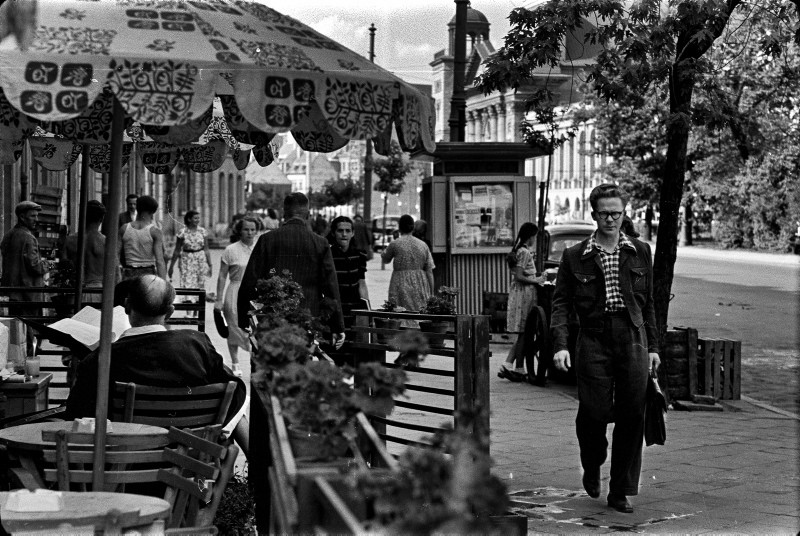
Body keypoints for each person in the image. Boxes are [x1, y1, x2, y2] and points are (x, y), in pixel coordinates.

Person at [551, 183, 660, 514]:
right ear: (593, 213)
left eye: (616, 212)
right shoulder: (575, 256)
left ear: (624, 212)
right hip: (594, 338)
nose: (610, 219)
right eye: (603, 213)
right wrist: (560, 345)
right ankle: (592, 461)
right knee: (593, 411)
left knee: (632, 415)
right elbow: (561, 304)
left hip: (633, 338)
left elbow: (649, 302)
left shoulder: (640, 251)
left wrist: (653, 346)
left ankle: (620, 490)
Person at [64, 275, 249, 455]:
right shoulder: (196, 345)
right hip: (188, 462)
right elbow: (234, 391)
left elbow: (75, 415)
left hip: (123, 464)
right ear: (170, 312)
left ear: (127, 306)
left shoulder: (102, 358)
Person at [238, 192, 345, 350]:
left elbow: (249, 282)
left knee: (269, 364)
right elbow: (331, 287)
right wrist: (337, 327)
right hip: (308, 318)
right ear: (308, 214)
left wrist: (244, 319)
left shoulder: (267, 240)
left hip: (271, 319)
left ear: (284, 214)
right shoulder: (320, 243)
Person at [498, 222, 545, 382]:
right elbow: (519, 276)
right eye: (535, 236)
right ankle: (517, 366)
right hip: (524, 294)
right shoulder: (524, 252)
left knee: (523, 333)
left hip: (520, 293)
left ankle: (512, 364)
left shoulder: (519, 250)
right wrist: (537, 280)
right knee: (525, 331)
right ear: (531, 236)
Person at [214, 216, 259, 377]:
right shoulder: (230, 250)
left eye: (253, 229)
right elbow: (221, 276)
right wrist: (218, 299)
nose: (249, 232)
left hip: (254, 293)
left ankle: (254, 362)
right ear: (239, 230)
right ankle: (235, 362)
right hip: (235, 290)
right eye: (246, 229)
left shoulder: (259, 248)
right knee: (233, 328)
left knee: (254, 329)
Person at [1, 201, 53, 317]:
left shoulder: (9, 235)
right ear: (22, 217)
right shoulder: (28, 238)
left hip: (12, 293)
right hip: (28, 294)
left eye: (37, 216)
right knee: (29, 327)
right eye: (33, 216)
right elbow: (35, 266)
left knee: (17, 327)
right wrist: (49, 265)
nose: (36, 219)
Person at [381, 214, 434, 315]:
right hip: (419, 281)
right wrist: (431, 292)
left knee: (400, 313)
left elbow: (385, 259)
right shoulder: (423, 245)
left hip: (399, 282)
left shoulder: (395, 243)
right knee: (418, 312)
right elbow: (429, 271)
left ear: (399, 228)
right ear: (412, 228)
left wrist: (394, 239)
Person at [327, 216, 370, 328]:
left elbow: (362, 283)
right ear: (333, 233)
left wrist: (368, 311)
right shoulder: (327, 256)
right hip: (335, 309)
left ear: (353, 233)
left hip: (355, 307)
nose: (344, 234)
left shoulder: (360, 255)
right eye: (340, 230)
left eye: (348, 231)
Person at [62, 200, 106, 302]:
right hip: (98, 291)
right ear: (102, 218)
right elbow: (116, 273)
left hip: (76, 292)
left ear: (82, 216)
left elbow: (63, 268)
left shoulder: (69, 240)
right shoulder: (105, 242)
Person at [118, 195, 166, 280]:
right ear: (153, 212)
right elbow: (160, 261)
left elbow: (116, 254)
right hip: (148, 275)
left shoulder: (124, 228)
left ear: (137, 208)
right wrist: (164, 285)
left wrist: (118, 275)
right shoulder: (155, 231)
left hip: (128, 273)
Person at [168, 210, 212, 290]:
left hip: (200, 259)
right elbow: (177, 250)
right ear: (189, 219)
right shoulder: (182, 232)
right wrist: (171, 266)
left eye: (198, 218)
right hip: (186, 260)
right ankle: (188, 301)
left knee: (200, 282)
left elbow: (206, 249)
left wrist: (210, 265)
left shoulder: (203, 231)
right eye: (195, 218)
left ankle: (199, 301)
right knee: (187, 282)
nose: (198, 220)